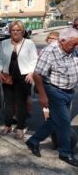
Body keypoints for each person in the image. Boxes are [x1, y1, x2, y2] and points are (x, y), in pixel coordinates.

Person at [26, 28, 78, 167]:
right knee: (64, 123)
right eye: (72, 44)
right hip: (55, 91)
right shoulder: (50, 51)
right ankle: (65, 152)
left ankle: (33, 141)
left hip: (68, 91)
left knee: (55, 121)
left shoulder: (71, 48)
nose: (74, 48)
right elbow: (37, 74)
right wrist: (42, 96)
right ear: (62, 41)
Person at [0, 21, 38, 139]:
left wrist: (31, 72)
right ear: (10, 31)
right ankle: (8, 125)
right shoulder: (4, 43)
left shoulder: (29, 43)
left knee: (21, 104)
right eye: (13, 30)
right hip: (7, 76)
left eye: (18, 30)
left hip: (23, 77)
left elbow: (34, 59)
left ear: (22, 31)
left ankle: (20, 128)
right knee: (8, 103)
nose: (15, 32)